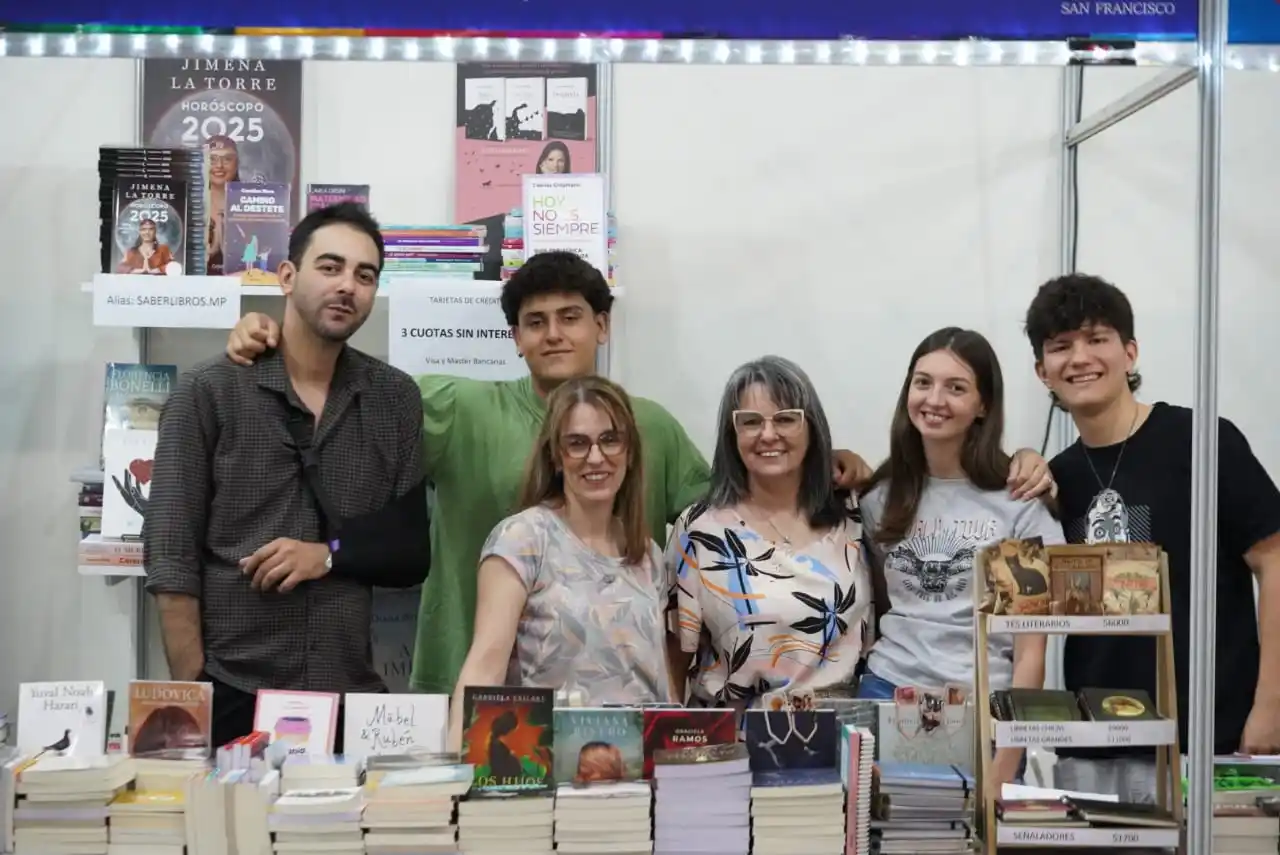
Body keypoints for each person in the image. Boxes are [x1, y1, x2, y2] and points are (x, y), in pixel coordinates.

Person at [223, 252, 1053, 695]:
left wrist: (846, 474)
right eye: (536, 322)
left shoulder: (656, 435)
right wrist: (274, 332)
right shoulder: (460, 408)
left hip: (681, 725)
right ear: (514, 338)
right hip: (478, 686)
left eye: (571, 318)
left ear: (603, 327)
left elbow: (734, 506)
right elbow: (356, 397)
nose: (554, 335)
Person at [144, 203, 431, 748]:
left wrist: (324, 554)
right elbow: (171, 557)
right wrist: (196, 688)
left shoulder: (395, 398)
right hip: (232, 688)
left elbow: (410, 552)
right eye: (330, 267)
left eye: (364, 275)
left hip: (348, 696)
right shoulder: (208, 393)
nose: (347, 285)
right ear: (287, 276)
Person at [1024, 273, 1280, 801]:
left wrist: (1271, 706)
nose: (1080, 358)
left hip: (1211, 734)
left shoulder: (1203, 440)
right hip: (1092, 743)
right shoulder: (1058, 477)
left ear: (1130, 352)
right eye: (1060, 346)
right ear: (1042, 371)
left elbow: (1274, 562)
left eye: (1097, 339)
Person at [855, 327, 1062, 788]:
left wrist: (1008, 759)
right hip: (888, 695)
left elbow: (1031, 651)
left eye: (956, 387)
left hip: (982, 708)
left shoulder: (1018, 501)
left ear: (983, 405)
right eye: (923, 382)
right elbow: (884, 605)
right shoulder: (881, 499)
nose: (935, 399)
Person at [448, 377, 671, 747]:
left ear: (630, 453)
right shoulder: (522, 539)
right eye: (577, 443)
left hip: (641, 779)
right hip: (551, 775)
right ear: (555, 455)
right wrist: (453, 781)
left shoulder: (648, 554)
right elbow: (485, 667)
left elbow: (661, 682)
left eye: (610, 439)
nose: (596, 457)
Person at [667, 356, 874, 709]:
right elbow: (674, 655)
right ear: (732, 435)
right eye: (749, 422)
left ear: (812, 428)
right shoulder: (699, 530)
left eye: (785, 419)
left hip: (840, 736)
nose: (767, 434)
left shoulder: (854, 515)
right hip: (733, 739)